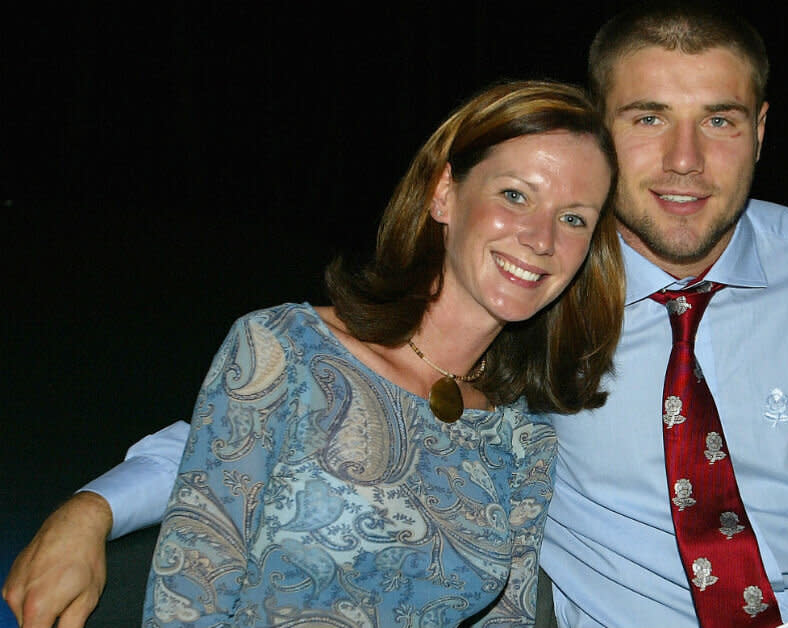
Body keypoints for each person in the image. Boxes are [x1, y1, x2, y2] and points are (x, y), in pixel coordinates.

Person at [4, 5, 788, 628]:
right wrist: (95, 504)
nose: (684, 163)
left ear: (764, 128)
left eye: (720, 121)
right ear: (599, 125)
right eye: (647, 118)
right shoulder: (546, 302)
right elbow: (301, 398)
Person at [8, 79, 624, 628]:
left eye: (574, 219)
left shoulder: (523, 440)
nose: (541, 238)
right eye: (515, 195)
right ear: (444, 195)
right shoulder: (284, 348)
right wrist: (92, 507)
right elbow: (187, 601)